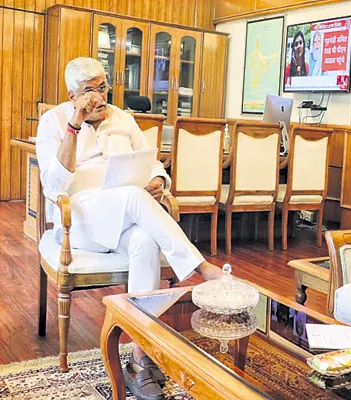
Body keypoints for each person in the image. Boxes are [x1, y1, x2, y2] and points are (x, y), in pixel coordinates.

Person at [36, 57, 224, 400]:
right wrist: (75, 126)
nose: (99, 96)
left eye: (103, 86)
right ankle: (201, 267)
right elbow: (53, 185)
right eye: (89, 90)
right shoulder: (54, 120)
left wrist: (156, 178)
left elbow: (153, 161)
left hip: (125, 217)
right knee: (135, 198)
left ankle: (139, 358)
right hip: (80, 221)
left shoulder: (124, 118)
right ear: (71, 94)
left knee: (144, 242)